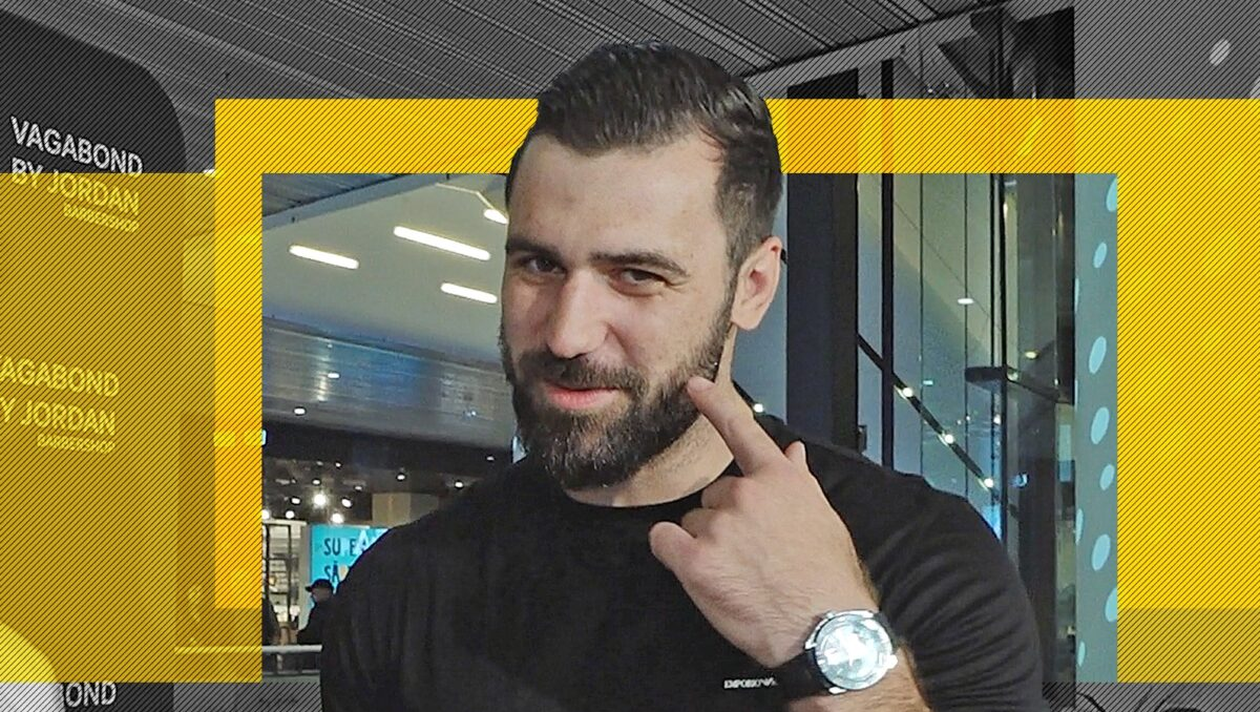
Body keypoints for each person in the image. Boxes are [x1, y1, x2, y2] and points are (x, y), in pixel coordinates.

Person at [323, 42, 1047, 711]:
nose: (567, 333)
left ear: (752, 287)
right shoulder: (401, 590)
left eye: (636, 275)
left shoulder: (923, 558)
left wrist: (825, 638)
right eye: (539, 265)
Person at [296, 578, 335, 645]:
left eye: (314, 593)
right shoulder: (341, 607)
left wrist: (298, 636)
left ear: (325, 592)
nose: (311, 596)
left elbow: (313, 634)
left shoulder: (319, 611)